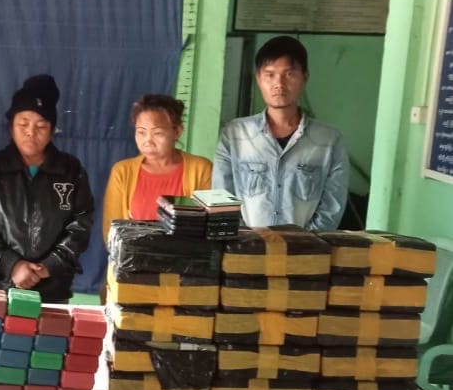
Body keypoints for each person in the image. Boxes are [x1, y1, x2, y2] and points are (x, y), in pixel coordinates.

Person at [0, 74, 94, 303]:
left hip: (53, 289)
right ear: (11, 126)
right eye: (23, 124)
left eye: (41, 126)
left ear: (52, 130)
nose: (30, 132)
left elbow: (81, 223)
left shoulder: (70, 170)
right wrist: (12, 265)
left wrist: (50, 265)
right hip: (0, 287)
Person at [213, 35, 349, 229]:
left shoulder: (329, 141)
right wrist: (246, 240)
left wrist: (304, 242)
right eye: (269, 74)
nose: (279, 84)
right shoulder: (234, 135)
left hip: (305, 246)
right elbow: (222, 199)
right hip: (246, 245)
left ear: (305, 77)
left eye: (289, 74)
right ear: (258, 79)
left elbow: (332, 207)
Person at [102, 94, 212, 240]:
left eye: (157, 133)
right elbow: (111, 231)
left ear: (177, 131)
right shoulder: (122, 171)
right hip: (133, 254)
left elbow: (208, 227)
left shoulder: (200, 169)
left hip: (186, 253)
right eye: (141, 132)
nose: (147, 141)